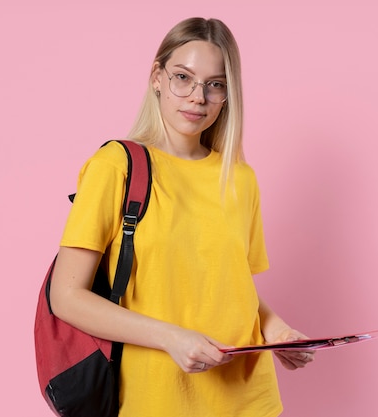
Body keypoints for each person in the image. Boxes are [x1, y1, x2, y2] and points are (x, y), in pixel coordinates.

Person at [49, 17, 314, 417]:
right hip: (156, 398)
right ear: (157, 77)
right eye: (183, 77)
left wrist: (276, 329)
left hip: (249, 400)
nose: (197, 97)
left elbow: (231, 284)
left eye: (215, 84)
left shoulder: (239, 178)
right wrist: (170, 337)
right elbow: (66, 297)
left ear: (228, 94)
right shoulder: (115, 166)